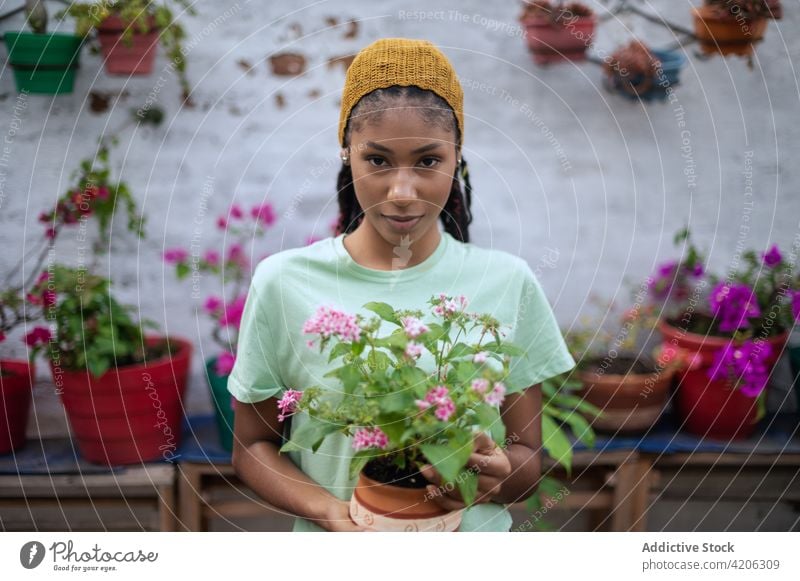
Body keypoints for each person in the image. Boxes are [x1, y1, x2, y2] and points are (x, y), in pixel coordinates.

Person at [228, 38, 575, 532]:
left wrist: (498, 476)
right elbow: (251, 446)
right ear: (347, 154)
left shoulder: (507, 283)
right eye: (378, 160)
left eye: (429, 161)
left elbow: (528, 461)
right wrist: (331, 511)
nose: (403, 192)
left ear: (458, 159)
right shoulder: (284, 282)